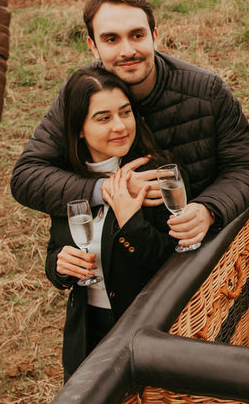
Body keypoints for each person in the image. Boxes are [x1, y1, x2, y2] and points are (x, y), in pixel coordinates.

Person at [12, 0, 249, 251]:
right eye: (111, 39)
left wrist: (209, 209)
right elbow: (27, 176)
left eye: (137, 35)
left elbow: (247, 166)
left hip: (201, 253)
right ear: (93, 47)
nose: (127, 51)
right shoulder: (79, 95)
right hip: (120, 261)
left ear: (154, 36)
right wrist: (111, 190)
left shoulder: (207, 91)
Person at [45, 65, 176, 380]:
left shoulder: (155, 173)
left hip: (146, 332)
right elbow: (54, 254)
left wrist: (130, 220)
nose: (120, 126)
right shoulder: (67, 182)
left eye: (125, 112)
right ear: (79, 128)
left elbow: (171, 263)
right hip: (88, 333)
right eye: (103, 118)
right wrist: (60, 266)